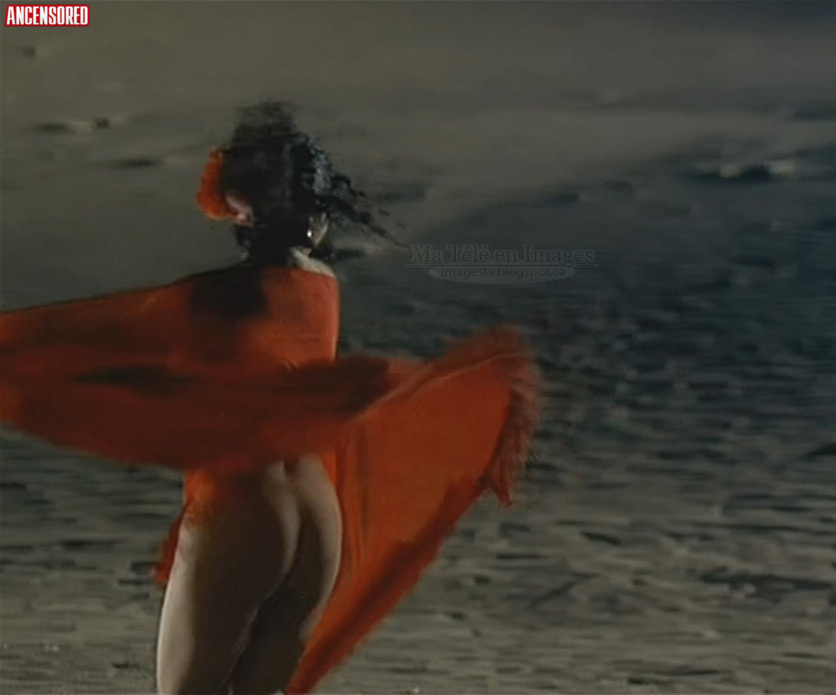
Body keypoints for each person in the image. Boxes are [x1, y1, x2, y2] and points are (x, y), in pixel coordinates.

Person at [0, 102, 539, 695]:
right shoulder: (324, 289)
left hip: (243, 507)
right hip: (318, 518)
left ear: (237, 202)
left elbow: (89, 347)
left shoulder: (211, 298)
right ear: (317, 213)